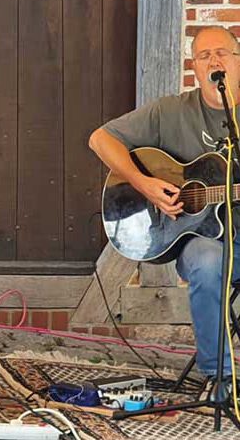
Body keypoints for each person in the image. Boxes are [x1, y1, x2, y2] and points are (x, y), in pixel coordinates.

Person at [90, 25, 240, 394]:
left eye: (222, 53)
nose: (214, 61)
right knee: (208, 261)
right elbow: (100, 139)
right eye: (204, 55)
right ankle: (219, 377)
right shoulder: (171, 111)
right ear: (194, 67)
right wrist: (144, 185)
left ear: (238, 61)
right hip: (201, 242)